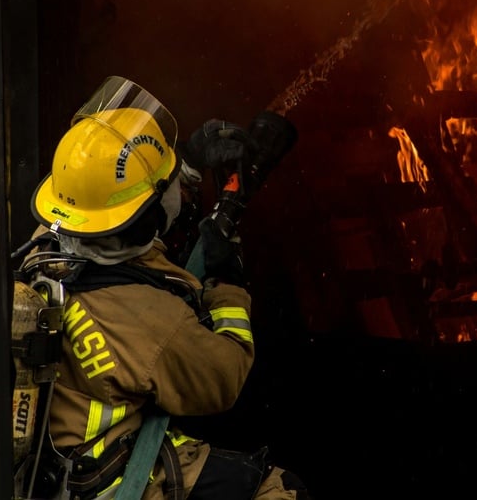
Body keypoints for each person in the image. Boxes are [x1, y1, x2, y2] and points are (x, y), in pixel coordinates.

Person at [21, 75, 310, 500]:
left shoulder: (44, 246)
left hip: (54, 460)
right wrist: (227, 281)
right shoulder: (154, 323)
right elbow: (225, 377)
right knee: (279, 490)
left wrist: (186, 161)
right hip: (108, 479)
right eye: (168, 181)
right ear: (145, 220)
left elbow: (118, 208)